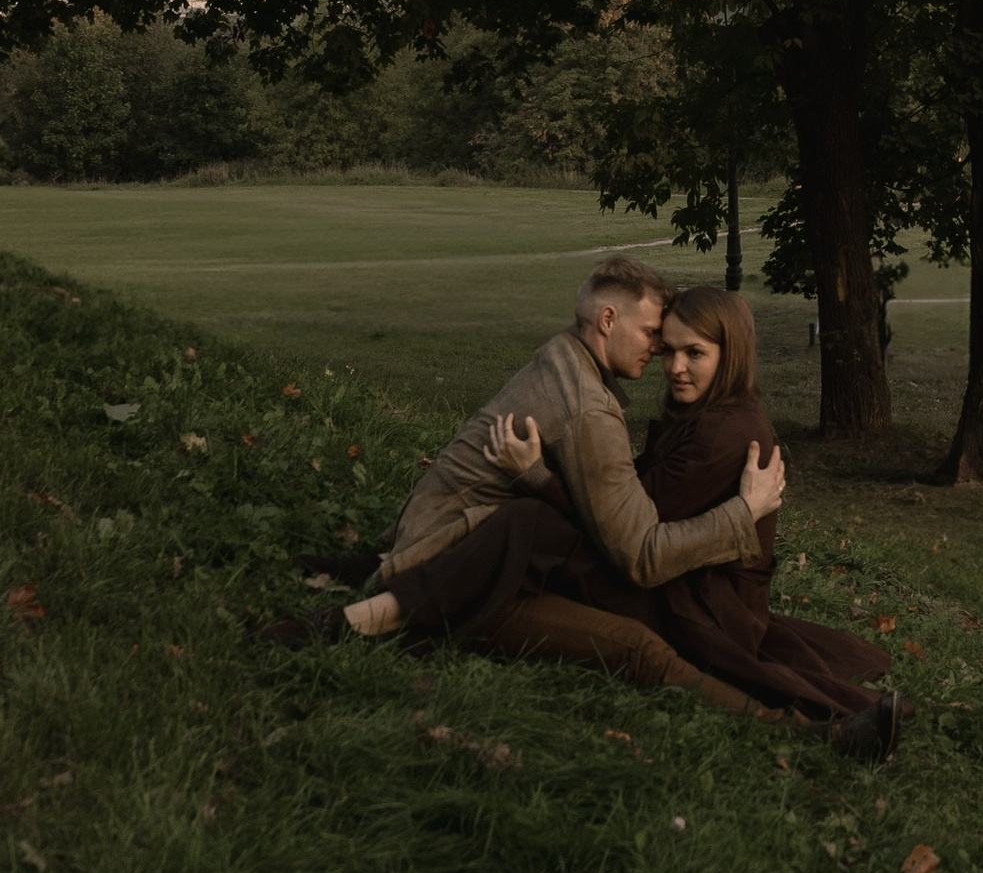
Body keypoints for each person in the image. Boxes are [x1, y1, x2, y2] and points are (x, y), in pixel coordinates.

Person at [264, 252, 898, 756]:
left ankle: (813, 735)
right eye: (661, 339)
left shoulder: (696, 421)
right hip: (614, 580)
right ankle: (366, 612)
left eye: (690, 352)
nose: (666, 360)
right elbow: (628, 528)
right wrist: (539, 479)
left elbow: (636, 545)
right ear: (607, 323)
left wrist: (541, 479)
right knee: (543, 543)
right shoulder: (639, 410)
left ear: (731, 355)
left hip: (690, 601)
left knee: (575, 576)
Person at [637, 285, 899, 739]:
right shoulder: (714, 412)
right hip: (701, 587)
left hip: (707, 609)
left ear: (731, 353)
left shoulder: (720, 433)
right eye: (668, 351)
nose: (675, 368)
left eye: (694, 353)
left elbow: (630, 517)